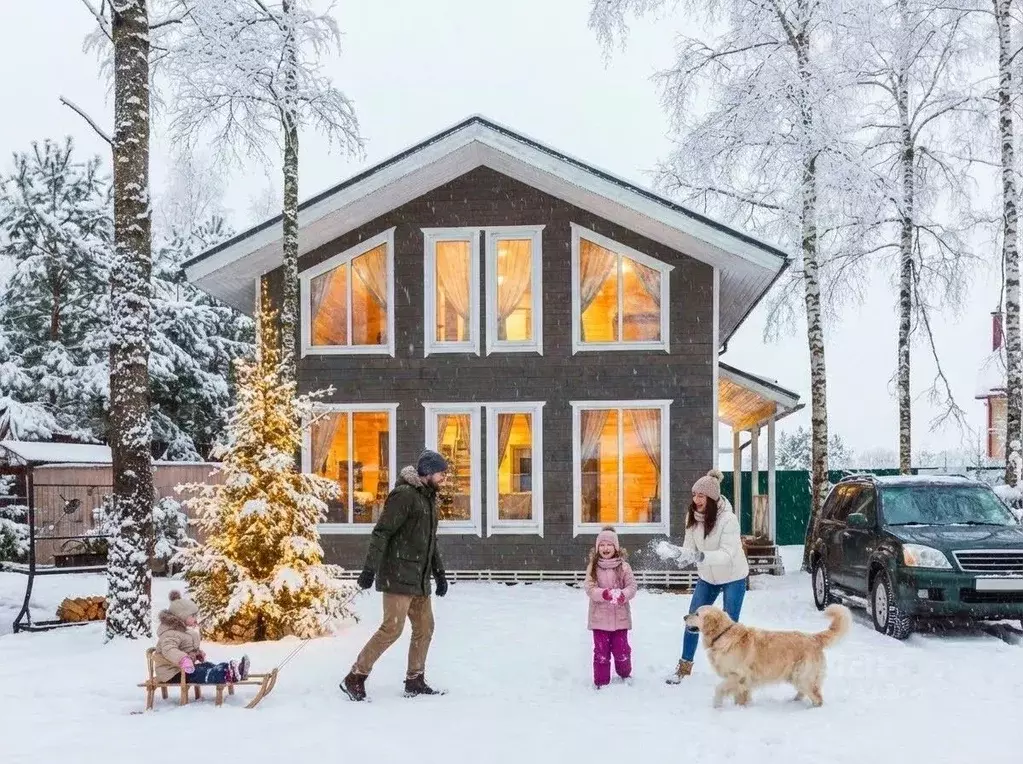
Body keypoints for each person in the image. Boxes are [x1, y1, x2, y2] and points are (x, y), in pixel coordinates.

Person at [340, 449, 450, 701]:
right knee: (392, 629)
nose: (444, 477)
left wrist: (439, 573)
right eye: (441, 473)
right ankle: (355, 676)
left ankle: (415, 679)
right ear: (427, 473)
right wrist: (370, 569)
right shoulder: (404, 495)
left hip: (419, 578)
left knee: (425, 627)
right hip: (398, 574)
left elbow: (429, 541)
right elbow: (382, 532)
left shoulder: (430, 499)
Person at [666, 469, 750, 684]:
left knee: (730, 627)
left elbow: (727, 555)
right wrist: (679, 554)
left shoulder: (728, 520)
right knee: (692, 620)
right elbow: (689, 547)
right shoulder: (692, 517)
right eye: (694, 495)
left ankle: (733, 671)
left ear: (711, 498)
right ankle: (683, 667)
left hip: (733, 576)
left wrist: (699, 556)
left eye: (701, 496)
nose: (696, 500)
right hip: (707, 577)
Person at [154, 590, 250, 685]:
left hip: (182, 669)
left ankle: (234, 669)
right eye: (193, 616)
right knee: (202, 673)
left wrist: (197, 653)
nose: (196, 619)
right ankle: (227, 674)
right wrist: (183, 659)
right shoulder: (169, 634)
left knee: (208, 665)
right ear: (181, 616)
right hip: (171, 673)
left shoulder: (183, 632)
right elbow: (169, 650)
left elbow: (185, 648)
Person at [584, 527, 637, 689]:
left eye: (609, 545)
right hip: (599, 619)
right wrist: (604, 594)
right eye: (602, 545)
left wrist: (623, 595)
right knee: (601, 652)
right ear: (597, 547)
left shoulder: (624, 566)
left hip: (620, 618)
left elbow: (632, 586)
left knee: (622, 650)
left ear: (616, 547)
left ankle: (624, 674)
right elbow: (590, 588)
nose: (605, 548)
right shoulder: (593, 566)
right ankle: (601, 681)